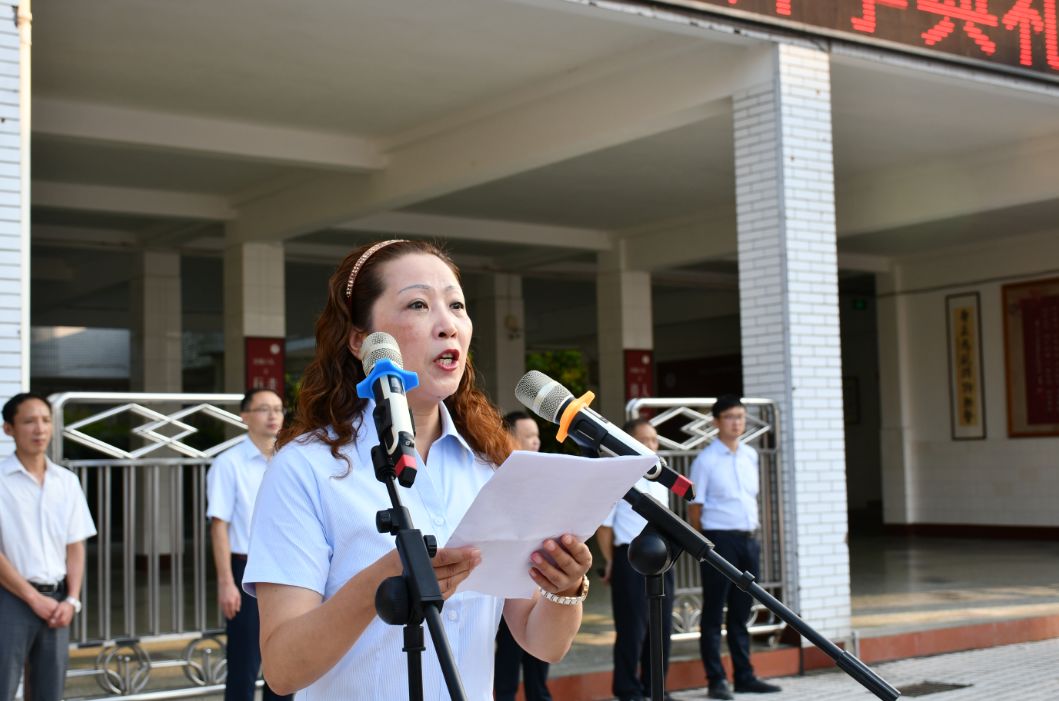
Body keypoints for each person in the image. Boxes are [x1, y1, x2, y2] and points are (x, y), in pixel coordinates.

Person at [242, 239, 592, 700]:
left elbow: (542, 642)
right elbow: (283, 668)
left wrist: (562, 589)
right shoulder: (305, 467)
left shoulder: (492, 464)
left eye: (457, 305)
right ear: (360, 341)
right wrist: (385, 580)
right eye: (419, 304)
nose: (448, 325)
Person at [0, 393, 96, 701]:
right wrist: (31, 598)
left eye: (45, 420)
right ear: (8, 429)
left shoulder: (66, 481)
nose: (39, 429)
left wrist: (71, 599)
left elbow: (76, 545)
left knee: (49, 692)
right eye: (28, 421)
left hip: (58, 604)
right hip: (10, 600)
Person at [687, 396, 781, 699]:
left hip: (747, 540)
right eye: (729, 417)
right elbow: (695, 508)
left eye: (740, 416)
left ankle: (745, 676)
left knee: (742, 610)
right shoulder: (705, 460)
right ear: (716, 422)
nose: (736, 422)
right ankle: (716, 680)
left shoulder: (750, 455)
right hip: (719, 539)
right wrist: (706, 545)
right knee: (714, 611)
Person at [206, 389, 292, 701]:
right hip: (246, 570)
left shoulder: (290, 460)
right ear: (245, 417)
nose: (273, 416)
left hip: (287, 571)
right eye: (263, 409)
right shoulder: (228, 464)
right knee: (244, 665)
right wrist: (226, 582)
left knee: (283, 664)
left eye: (278, 409)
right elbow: (219, 525)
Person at [596, 419, 676, 701]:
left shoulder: (661, 473)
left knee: (662, 627)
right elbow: (605, 527)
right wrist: (611, 561)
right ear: (629, 442)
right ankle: (628, 690)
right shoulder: (619, 476)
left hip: (662, 560)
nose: (652, 446)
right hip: (630, 559)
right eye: (645, 440)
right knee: (633, 629)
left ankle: (656, 689)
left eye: (655, 440)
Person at [494, 410, 552, 701]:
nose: (535, 443)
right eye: (527, 437)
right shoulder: (491, 473)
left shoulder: (543, 477)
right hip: (504, 579)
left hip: (538, 575)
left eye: (537, 438)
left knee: (539, 650)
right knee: (509, 649)